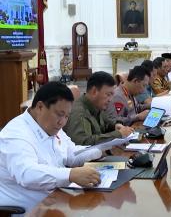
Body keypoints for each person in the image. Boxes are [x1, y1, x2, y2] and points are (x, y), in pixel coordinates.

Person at [0, 82, 102, 212]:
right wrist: (70, 174)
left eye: (66, 116)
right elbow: (27, 174)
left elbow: (72, 154)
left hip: (57, 202)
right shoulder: (16, 133)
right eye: (60, 114)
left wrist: (101, 150)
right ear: (40, 107)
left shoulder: (51, 126)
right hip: (30, 211)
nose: (62, 122)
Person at [64, 71, 134, 145]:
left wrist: (115, 126)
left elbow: (105, 124)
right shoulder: (79, 113)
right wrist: (118, 134)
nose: (110, 99)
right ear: (94, 91)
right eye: (108, 94)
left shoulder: (96, 105)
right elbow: (83, 143)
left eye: (112, 95)